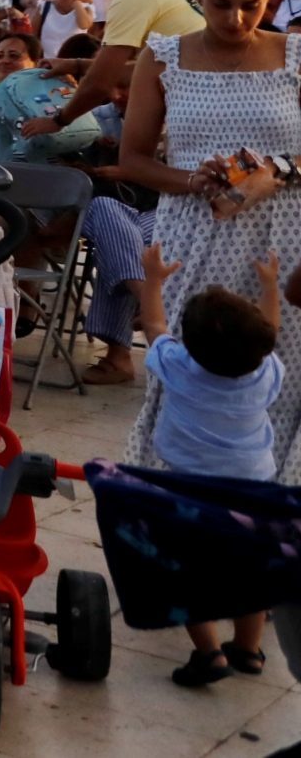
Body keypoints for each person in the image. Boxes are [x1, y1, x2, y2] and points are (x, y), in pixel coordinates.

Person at [123, 0, 301, 483]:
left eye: (252, 5)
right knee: (184, 363)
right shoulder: (163, 56)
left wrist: (278, 174)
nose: (237, 18)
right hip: (191, 235)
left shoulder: (294, 53)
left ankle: (274, 499)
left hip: (282, 235)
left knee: (280, 370)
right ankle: (177, 491)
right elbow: (131, 158)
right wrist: (189, 178)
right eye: (221, 4)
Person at [130, 245, 284, 686]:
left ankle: (210, 654)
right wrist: (270, 285)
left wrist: (155, 280)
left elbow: (154, 325)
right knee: (251, 573)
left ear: (191, 345)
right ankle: (249, 651)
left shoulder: (179, 367)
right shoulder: (264, 374)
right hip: (254, 491)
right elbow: (270, 327)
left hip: (189, 491)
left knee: (185, 573)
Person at [24, 0, 202, 146]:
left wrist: (58, 121)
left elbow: (103, 80)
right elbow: (148, 69)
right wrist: (76, 64)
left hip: (196, 117)